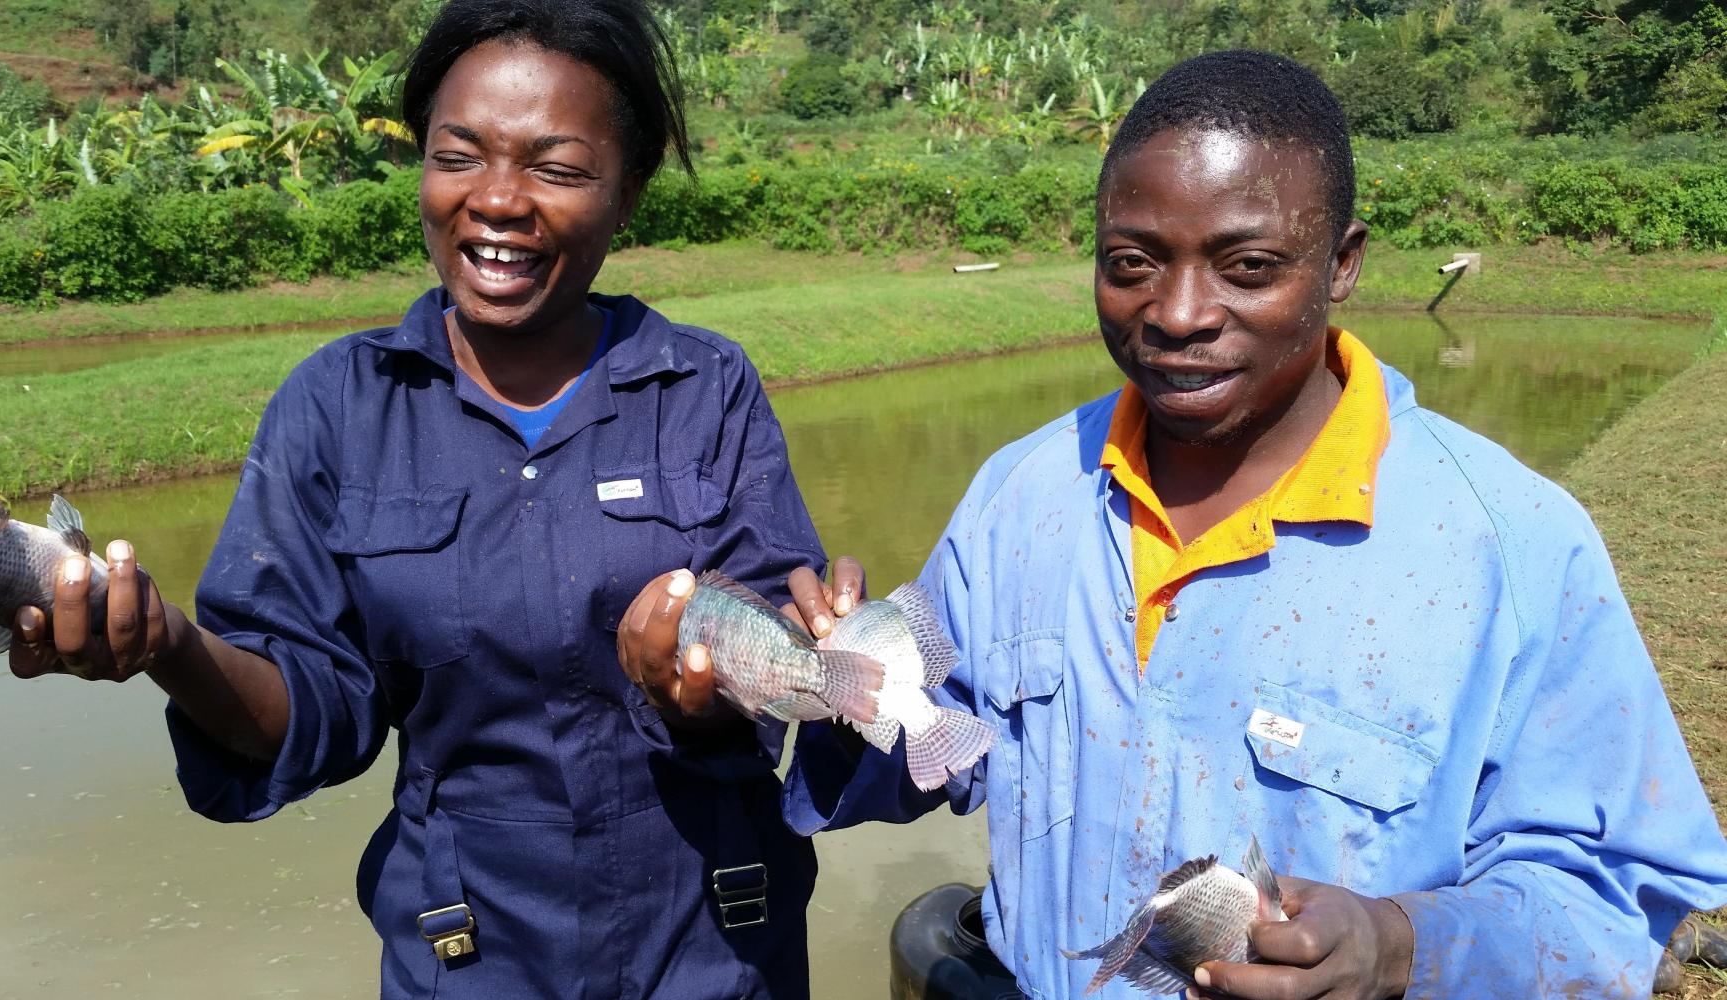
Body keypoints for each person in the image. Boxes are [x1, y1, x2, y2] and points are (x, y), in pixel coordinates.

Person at [624, 50, 1727, 999]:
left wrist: (1397, 945)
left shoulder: (1510, 544)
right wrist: (793, 684)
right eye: (1130, 264)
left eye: (1247, 267)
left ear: (1340, 263)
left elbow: (1615, 898)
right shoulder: (1022, 497)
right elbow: (938, 735)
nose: (1179, 313)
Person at [5, 2, 827, 996]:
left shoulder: (704, 390)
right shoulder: (338, 409)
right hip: (469, 956)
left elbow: (785, 672)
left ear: (628, 190)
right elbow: (314, 711)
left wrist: (701, 689)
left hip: (714, 946)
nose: (498, 200)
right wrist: (167, 647)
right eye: (459, 155)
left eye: (556, 168)